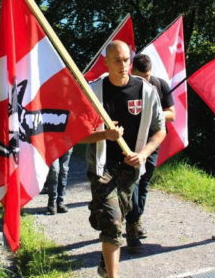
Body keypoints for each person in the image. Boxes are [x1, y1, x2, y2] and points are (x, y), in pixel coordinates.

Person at [80, 40, 166, 278]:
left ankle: (105, 261)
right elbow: (77, 136)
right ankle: (112, 275)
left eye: (126, 59)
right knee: (113, 221)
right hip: (102, 167)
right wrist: (104, 135)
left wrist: (143, 154)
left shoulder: (146, 91)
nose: (123, 64)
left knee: (119, 216)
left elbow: (161, 131)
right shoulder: (93, 91)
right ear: (106, 62)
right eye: (116, 60)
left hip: (131, 167)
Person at [125, 53, 176, 251]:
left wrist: (154, 113)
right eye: (140, 78)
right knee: (133, 183)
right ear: (132, 71)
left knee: (144, 183)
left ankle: (136, 219)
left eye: (147, 77)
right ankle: (132, 226)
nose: (144, 82)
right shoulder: (127, 86)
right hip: (130, 143)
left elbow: (172, 114)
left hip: (152, 141)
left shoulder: (160, 85)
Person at [45, 149, 73, 215]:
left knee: (64, 170)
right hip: (52, 142)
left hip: (67, 141)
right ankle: (52, 202)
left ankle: (60, 201)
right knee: (53, 171)